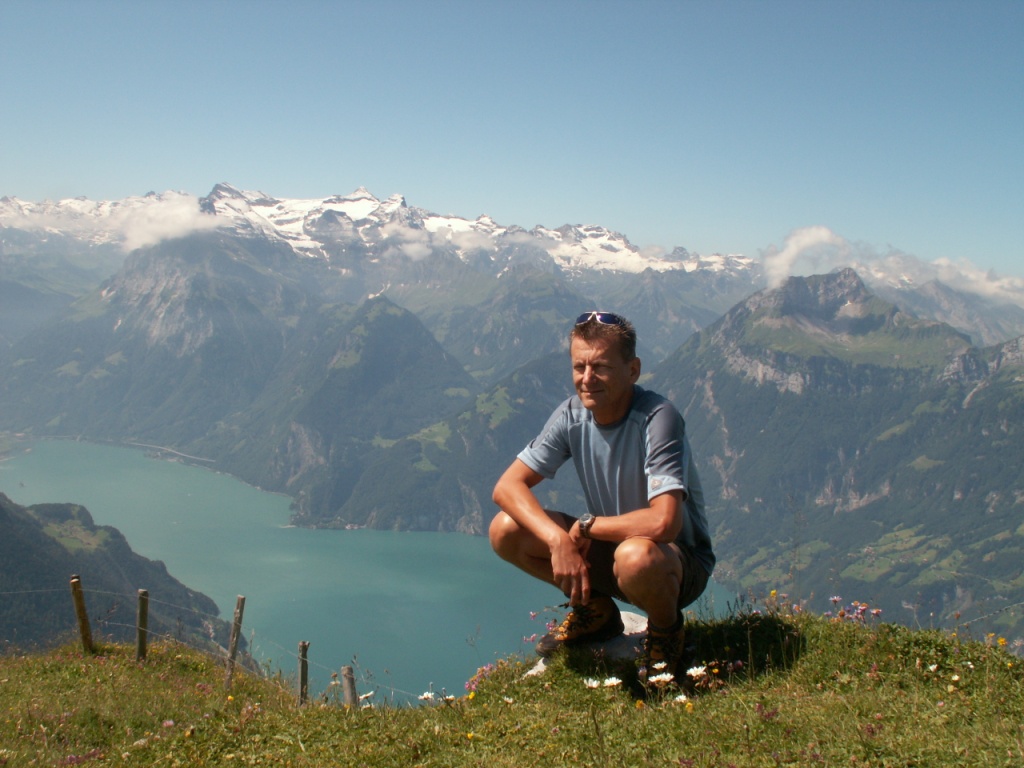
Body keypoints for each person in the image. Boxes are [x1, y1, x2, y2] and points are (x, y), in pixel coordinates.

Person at [489, 311, 714, 678]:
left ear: (633, 370)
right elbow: (506, 487)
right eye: (579, 367)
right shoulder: (571, 416)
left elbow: (665, 523)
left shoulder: (658, 418)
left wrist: (586, 527)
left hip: (674, 563)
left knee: (634, 555)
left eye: (601, 367)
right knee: (505, 530)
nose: (587, 379)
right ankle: (597, 611)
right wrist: (557, 541)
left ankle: (666, 632)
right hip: (613, 551)